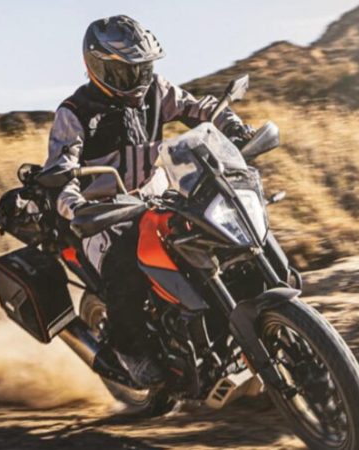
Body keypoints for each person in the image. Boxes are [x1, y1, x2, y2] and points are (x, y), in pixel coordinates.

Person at [42, 15, 254, 386]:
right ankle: (128, 348)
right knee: (124, 262)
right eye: (129, 71)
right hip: (103, 213)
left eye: (144, 68)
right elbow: (61, 168)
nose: (139, 78)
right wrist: (74, 204)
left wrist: (230, 124)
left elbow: (199, 108)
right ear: (99, 68)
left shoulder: (156, 89)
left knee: (219, 234)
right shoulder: (74, 113)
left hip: (158, 195)